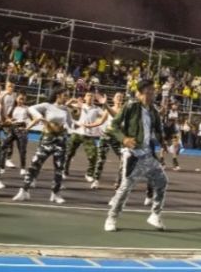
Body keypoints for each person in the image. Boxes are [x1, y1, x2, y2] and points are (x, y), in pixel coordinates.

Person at [104, 78, 168, 232]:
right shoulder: (131, 106)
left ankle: (155, 215)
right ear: (139, 94)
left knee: (162, 181)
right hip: (133, 153)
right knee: (126, 187)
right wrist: (124, 138)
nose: (151, 95)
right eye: (147, 93)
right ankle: (112, 217)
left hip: (148, 154)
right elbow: (113, 127)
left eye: (153, 92)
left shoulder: (153, 110)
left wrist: (164, 142)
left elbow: (158, 129)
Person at [12, 87, 74, 204]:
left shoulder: (66, 110)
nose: (67, 98)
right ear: (58, 95)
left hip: (61, 140)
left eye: (68, 96)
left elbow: (71, 125)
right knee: (34, 164)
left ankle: (55, 194)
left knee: (59, 168)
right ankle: (24, 191)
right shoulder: (47, 106)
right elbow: (31, 108)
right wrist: (40, 118)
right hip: (47, 139)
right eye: (65, 95)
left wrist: (82, 123)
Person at [64, 91, 103, 183]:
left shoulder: (97, 109)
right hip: (76, 133)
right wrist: (72, 100)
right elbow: (65, 106)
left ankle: (89, 174)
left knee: (93, 155)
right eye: (88, 96)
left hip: (88, 135)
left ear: (94, 99)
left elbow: (105, 115)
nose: (90, 97)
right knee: (68, 153)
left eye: (92, 96)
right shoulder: (80, 105)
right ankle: (64, 170)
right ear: (85, 97)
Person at [5, 94, 31, 175]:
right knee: (3, 146)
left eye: (23, 99)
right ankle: (2, 166)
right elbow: (7, 118)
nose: (21, 101)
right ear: (16, 99)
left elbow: (33, 119)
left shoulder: (27, 108)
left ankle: (23, 168)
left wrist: (27, 128)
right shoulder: (12, 108)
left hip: (22, 129)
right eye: (20, 99)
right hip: (12, 128)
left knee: (22, 150)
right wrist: (9, 120)